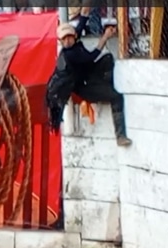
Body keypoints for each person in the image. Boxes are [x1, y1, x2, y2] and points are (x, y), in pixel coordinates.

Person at [53, 9, 132, 147]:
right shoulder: (69, 54)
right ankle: (120, 136)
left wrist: (85, 10)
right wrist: (105, 37)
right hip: (84, 87)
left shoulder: (73, 41)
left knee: (108, 59)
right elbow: (92, 56)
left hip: (88, 76)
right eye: (63, 39)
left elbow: (81, 23)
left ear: (73, 36)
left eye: (68, 37)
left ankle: (104, 88)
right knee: (116, 97)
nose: (66, 41)